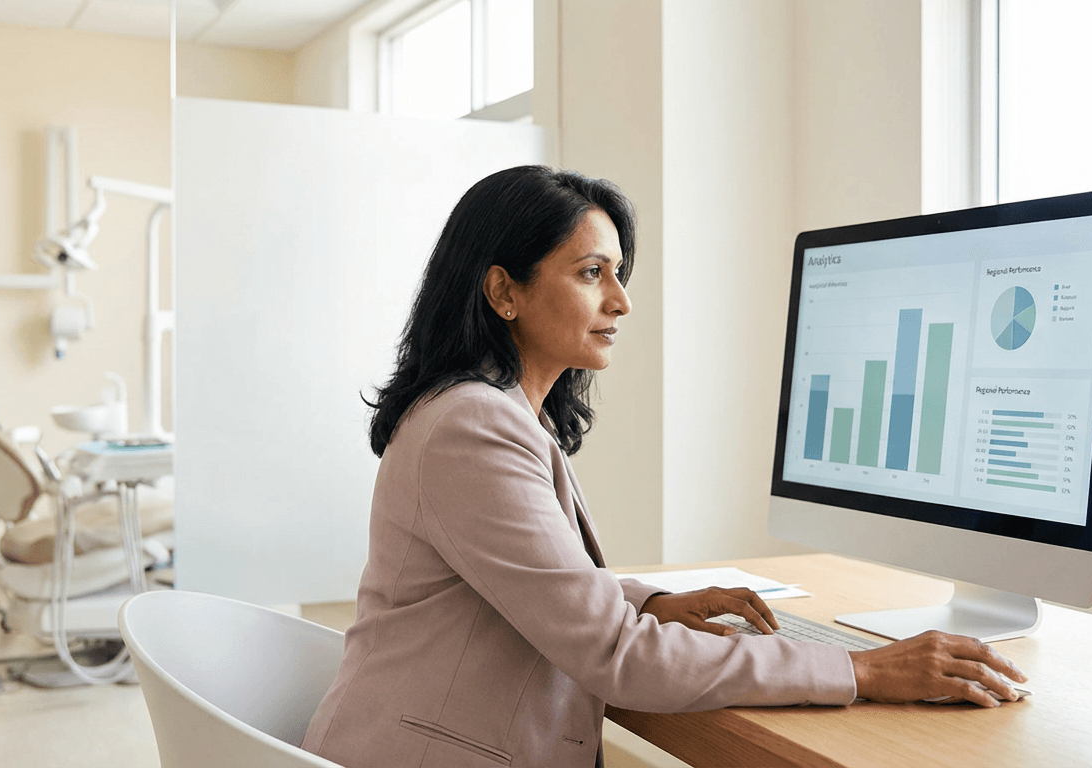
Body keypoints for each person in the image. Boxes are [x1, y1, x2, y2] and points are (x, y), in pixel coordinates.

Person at [301, 166, 1027, 768]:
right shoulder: (472, 427)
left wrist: (644, 602)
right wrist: (862, 670)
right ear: (504, 292)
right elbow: (618, 658)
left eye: (618, 273)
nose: (621, 300)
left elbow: (528, 580)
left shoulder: (487, 411)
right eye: (592, 273)